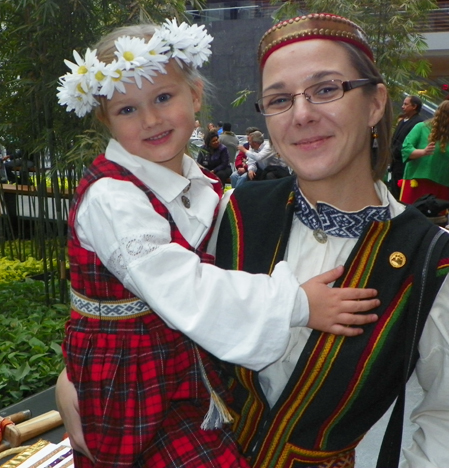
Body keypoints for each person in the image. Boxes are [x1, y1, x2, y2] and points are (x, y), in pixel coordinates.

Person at [55, 18, 379, 468]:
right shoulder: (113, 196)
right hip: (134, 383)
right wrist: (297, 305)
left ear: (195, 95)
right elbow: (183, 285)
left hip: (184, 368)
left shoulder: (201, 182)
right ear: (104, 120)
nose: (150, 119)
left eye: (163, 97)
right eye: (127, 110)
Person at [213, 13, 449, 468]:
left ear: (375, 103)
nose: (302, 115)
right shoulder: (237, 215)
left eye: (327, 90)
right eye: (280, 99)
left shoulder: (432, 263)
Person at [400, 100, 449, 206]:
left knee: (437, 220)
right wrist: (423, 152)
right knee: (413, 217)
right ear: (443, 115)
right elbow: (406, 149)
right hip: (418, 183)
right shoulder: (421, 127)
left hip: (443, 185)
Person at [388, 95, 423, 199]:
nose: (403, 106)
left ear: (414, 106)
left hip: (404, 164)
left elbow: (407, 143)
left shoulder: (418, 123)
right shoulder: (403, 121)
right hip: (395, 163)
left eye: (406, 104)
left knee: (401, 194)